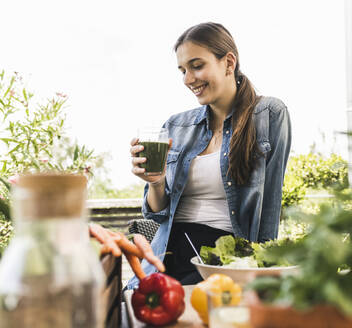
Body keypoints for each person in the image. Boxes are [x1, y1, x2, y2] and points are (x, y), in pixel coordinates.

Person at [127, 22, 291, 289]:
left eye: (197, 65)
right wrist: (155, 181)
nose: (188, 79)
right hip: (166, 251)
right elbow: (158, 214)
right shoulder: (176, 126)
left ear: (228, 62)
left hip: (222, 258)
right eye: (182, 70)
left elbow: (269, 206)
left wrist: (260, 278)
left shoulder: (268, 114)